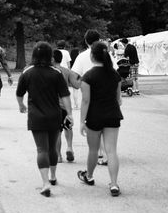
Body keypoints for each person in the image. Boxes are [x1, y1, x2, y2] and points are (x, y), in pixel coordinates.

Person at [16, 42, 73, 197]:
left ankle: (45, 183)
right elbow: (65, 95)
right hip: (54, 115)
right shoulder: (56, 73)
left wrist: (21, 105)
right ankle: (53, 176)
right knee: (52, 147)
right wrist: (69, 113)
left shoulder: (27, 72)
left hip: (36, 116)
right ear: (50, 56)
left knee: (42, 149)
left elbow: (19, 93)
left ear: (34, 55)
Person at [77, 41, 123, 197]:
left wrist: (82, 121)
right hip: (112, 115)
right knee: (111, 151)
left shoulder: (88, 76)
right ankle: (114, 184)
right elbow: (118, 99)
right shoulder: (115, 75)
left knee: (93, 150)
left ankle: (89, 176)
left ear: (91, 56)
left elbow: (85, 101)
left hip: (94, 117)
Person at [71, 29, 110, 165]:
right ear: (99, 39)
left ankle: (101, 152)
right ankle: (105, 152)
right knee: (106, 125)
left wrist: (78, 85)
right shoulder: (107, 54)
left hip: (90, 93)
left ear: (86, 41)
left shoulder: (82, 56)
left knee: (94, 125)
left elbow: (74, 75)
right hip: (107, 94)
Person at [52, 49, 78, 163]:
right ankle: (69, 147)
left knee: (57, 132)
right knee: (68, 127)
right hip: (66, 105)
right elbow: (77, 85)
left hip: (54, 105)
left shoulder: (50, 71)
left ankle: (58, 155)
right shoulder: (67, 71)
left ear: (52, 59)